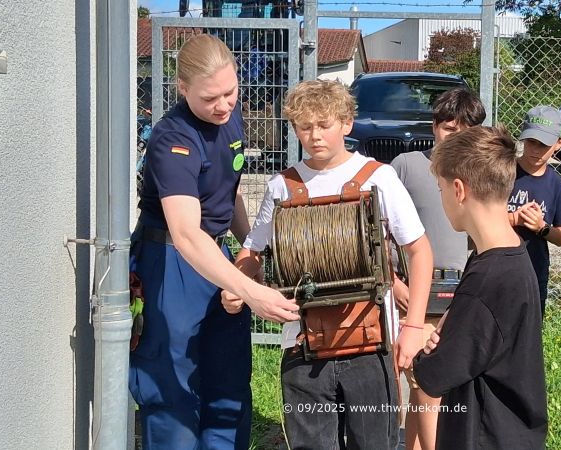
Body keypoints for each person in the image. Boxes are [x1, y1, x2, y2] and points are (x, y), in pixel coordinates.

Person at [221, 79, 433, 449]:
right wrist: (239, 285)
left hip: (371, 346)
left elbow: (419, 251)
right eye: (305, 126)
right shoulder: (282, 186)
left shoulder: (379, 178)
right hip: (303, 347)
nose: (314, 135)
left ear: (346, 124)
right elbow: (254, 249)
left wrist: (413, 325)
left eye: (324, 124)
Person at [129, 34, 299, 450]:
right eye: (210, 98)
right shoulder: (173, 139)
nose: (223, 105)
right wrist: (250, 291)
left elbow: (230, 193)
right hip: (170, 260)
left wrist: (252, 251)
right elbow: (186, 233)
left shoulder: (231, 118)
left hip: (216, 253)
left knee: (227, 385)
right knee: (173, 390)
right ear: (182, 88)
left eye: (230, 92)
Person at [413, 126, 548, 450]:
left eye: (441, 188)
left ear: (459, 190)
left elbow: (434, 374)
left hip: (488, 437)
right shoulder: (508, 253)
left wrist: (424, 355)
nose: (443, 197)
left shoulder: (489, 278)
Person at [390, 86, 485, 450]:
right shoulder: (408, 166)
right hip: (414, 295)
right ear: (434, 126)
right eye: (449, 128)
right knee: (421, 384)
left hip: (461, 294)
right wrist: (396, 284)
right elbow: (380, 234)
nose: (455, 137)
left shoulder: (480, 176)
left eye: (465, 130)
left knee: (433, 388)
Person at [506, 105, 561, 315]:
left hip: (534, 271)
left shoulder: (557, 185)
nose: (535, 150)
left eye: (543, 144)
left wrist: (541, 228)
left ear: (558, 144)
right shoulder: (502, 173)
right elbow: (480, 219)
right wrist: (515, 218)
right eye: (531, 142)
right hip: (498, 268)